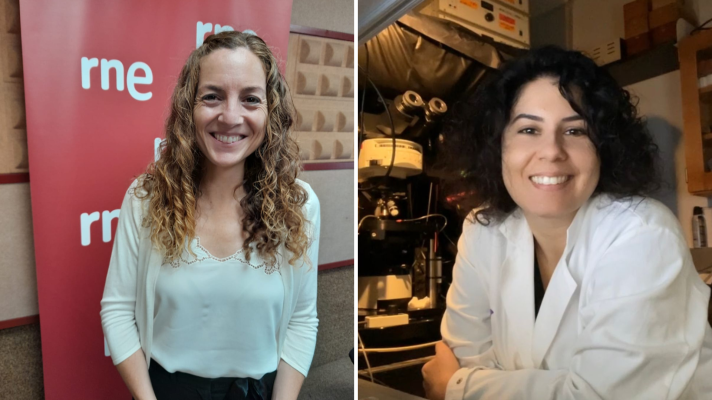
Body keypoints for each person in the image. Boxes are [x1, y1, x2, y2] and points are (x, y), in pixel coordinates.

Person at [421, 46, 712, 399]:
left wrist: (459, 389)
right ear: (497, 147)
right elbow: (462, 356)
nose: (552, 151)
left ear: (603, 148)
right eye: (529, 129)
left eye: (575, 131)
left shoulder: (642, 233)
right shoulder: (483, 230)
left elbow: (602, 397)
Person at [100, 31, 320, 400]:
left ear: (270, 112)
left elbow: (302, 319)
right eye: (213, 96)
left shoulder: (300, 205)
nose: (230, 116)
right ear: (189, 107)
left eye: (250, 99)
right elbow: (118, 311)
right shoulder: (146, 198)